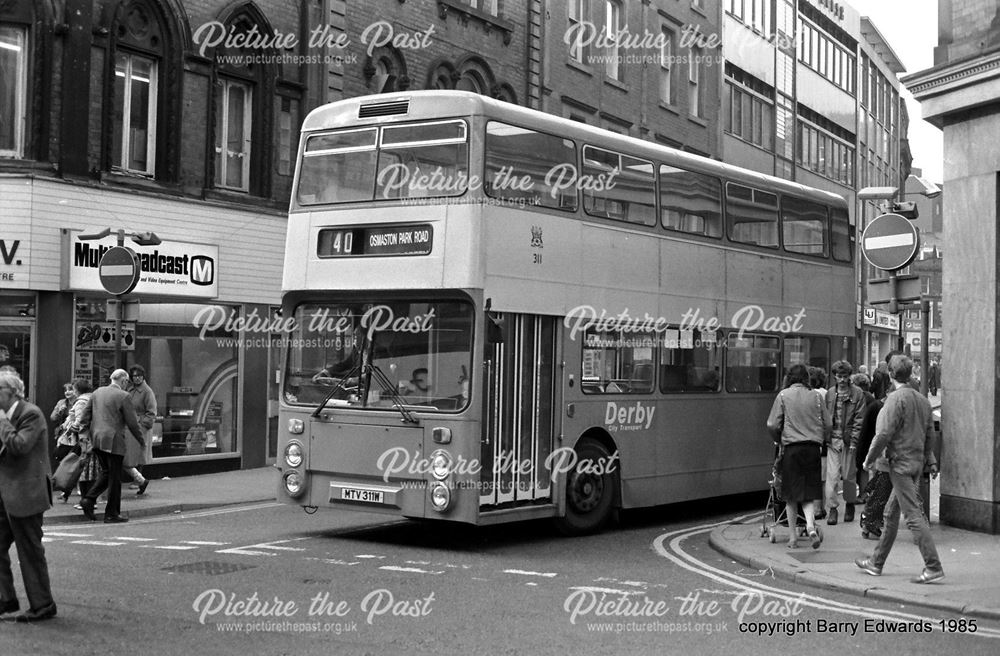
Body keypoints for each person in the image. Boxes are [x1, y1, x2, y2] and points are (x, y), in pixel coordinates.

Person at [856, 354, 944, 584]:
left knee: (913, 516)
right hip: (915, 464)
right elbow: (929, 435)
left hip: (900, 465)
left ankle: (933, 566)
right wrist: (929, 459)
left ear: (891, 375)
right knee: (889, 513)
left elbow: (883, 435)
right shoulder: (922, 400)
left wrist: (868, 460)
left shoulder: (894, 400)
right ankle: (876, 563)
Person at [0, 369, 57, 622]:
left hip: (27, 493)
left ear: (11, 393)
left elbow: (20, 446)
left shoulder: (30, 414)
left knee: (30, 551)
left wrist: (1, 421)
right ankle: (5, 599)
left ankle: (43, 605)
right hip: (5, 494)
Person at [766, 364, 832, 550]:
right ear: (806, 378)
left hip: (791, 449)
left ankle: (793, 537)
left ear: (789, 378)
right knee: (808, 493)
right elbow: (827, 424)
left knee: (791, 496)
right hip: (813, 449)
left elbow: (772, 424)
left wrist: (778, 439)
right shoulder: (817, 396)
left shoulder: (784, 395)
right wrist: (823, 439)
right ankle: (810, 526)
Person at [78, 369, 144, 523]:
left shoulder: (97, 392)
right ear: (124, 381)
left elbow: (85, 416)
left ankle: (88, 499)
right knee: (115, 478)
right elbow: (133, 423)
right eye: (127, 382)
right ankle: (111, 513)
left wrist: (83, 436)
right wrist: (141, 440)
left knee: (107, 472)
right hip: (114, 441)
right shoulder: (124, 396)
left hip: (97, 439)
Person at [823, 361, 866, 525]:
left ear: (850, 376)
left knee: (848, 476)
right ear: (835, 375)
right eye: (839, 376)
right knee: (832, 477)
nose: (842, 380)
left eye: (845, 376)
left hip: (848, 441)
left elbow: (859, 419)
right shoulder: (830, 394)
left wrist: (854, 440)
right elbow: (826, 417)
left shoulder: (857, 394)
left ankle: (849, 504)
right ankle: (832, 509)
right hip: (833, 440)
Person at [852, 373, 889, 540]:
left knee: (879, 492)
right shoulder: (877, 407)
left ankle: (867, 519)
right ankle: (867, 519)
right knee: (879, 492)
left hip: (882, 456)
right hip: (880, 456)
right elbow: (875, 435)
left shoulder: (876, 405)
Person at [125, 366, 154, 495]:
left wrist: (143, 423)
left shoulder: (147, 391)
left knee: (140, 453)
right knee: (130, 453)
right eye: (134, 376)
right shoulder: (129, 389)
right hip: (129, 426)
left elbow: (151, 412)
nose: (137, 378)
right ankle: (137, 479)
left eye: (139, 376)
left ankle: (138, 480)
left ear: (143, 376)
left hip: (141, 426)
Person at [50, 382, 79, 470]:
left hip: (76, 434)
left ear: (75, 391)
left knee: (74, 459)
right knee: (62, 458)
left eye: (70, 390)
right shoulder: (61, 403)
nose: (67, 392)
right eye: (65, 390)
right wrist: (60, 412)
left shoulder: (79, 402)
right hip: (63, 435)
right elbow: (53, 418)